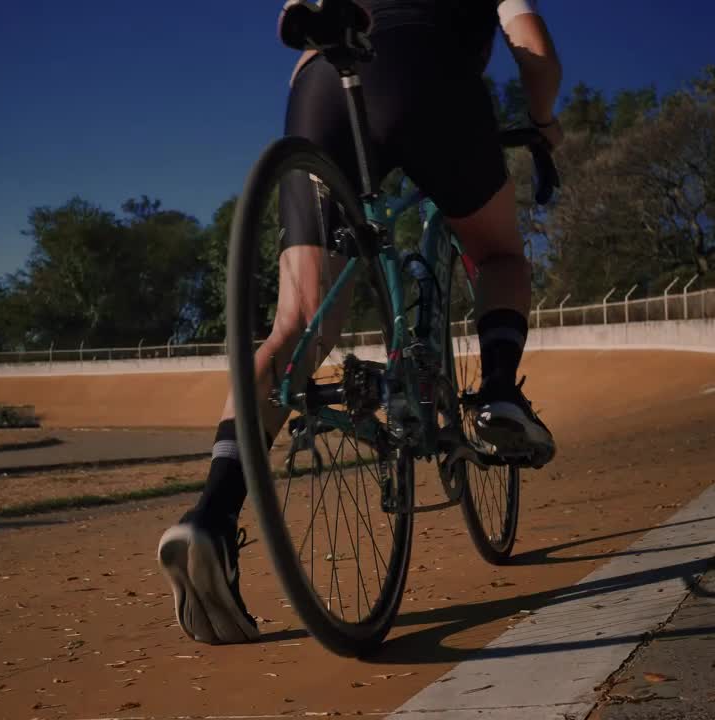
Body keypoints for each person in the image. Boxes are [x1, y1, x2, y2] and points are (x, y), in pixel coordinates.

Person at [157, 0, 563, 645]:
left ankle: (211, 511)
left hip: (324, 85)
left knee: (297, 325)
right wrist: (542, 123)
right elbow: (534, 47)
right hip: (433, 78)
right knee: (499, 254)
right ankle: (498, 392)